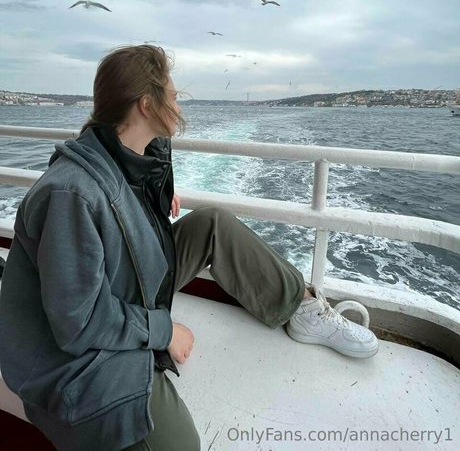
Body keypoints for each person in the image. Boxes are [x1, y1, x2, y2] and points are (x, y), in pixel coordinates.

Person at [0, 45, 378, 451]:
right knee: (179, 445)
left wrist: (158, 188)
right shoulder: (72, 194)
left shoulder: (132, 156)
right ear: (147, 105)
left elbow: (131, 217)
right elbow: (78, 323)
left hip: (125, 281)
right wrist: (163, 332)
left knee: (211, 222)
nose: (179, 104)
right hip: (72, 354)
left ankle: (298, 307)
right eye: (173, 95)